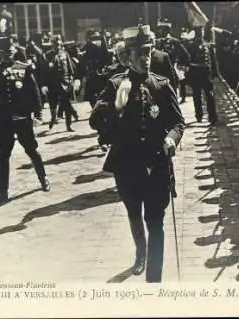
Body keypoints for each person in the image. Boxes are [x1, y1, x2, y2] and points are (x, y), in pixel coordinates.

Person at [89, 24, 185, 283]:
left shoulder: (161, 86)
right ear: (128, 56)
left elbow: (178, 122)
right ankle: (140, 254)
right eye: (140, 53)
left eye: (149, 52)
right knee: (134, 213)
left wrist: (171, 138)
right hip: (127, 167)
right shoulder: (116, 84)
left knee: (155, 221)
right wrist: (115, 106)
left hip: (157, 166)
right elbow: (94, 120)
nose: (146, 58)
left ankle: (154, 281)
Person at [0, 36, 50, 204]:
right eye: (4, 53)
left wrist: (38, 114)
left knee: (32, 150)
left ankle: (43, 179)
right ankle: (3, 192)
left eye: (10, 52)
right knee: (4, 155)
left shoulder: (24, 68)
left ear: (14, 51)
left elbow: (34, 92)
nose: (7, 55)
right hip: (4, 120)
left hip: (23, 118)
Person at [42, 35, 81, 132]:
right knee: (53, 104)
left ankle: (69, 125)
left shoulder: (65, 54)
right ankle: (52, 119)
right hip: (53, 84)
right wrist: (44, 84)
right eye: (56, 44)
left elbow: (70, 67)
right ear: (53, 45)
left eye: (59, 44)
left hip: (65, 83)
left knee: (67, 104)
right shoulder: (48, 55)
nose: (58, 46)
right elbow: (44, 71)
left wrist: (72, 79)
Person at [186, 25, 218, 124]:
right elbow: (187, 60)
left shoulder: (208, 45)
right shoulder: (190, 46)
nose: (201, 34)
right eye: (199, 33)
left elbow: (213, 60)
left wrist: (215, 73)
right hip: (195, 73)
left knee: (210, 95)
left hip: (206, 73)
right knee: (197, 96)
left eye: (202, 32)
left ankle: (212, 117)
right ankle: (199, 115)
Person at [155, 18, 191, 103]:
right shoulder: (156, 42)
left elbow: (186, 55)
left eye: (163, 29)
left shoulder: (175, 42)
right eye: (160, 29)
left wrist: (181, 67)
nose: (161, 31)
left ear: (168, 30)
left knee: (172, 94)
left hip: (171, 71)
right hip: (158, 71)